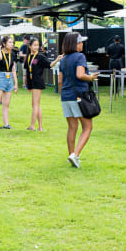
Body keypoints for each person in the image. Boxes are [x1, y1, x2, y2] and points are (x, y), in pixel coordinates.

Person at [58, 32, 99, 168]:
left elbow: (59, 80)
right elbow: (80, 75)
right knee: (87, 127)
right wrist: (91, 77)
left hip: (66, 96)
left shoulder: (63, 59)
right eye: (81, 42)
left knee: (72, 127)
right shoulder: (80, 56)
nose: (82, 44)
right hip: (79, 96)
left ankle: (71, 155)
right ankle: (75, 155)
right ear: (76, 44)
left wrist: (64, 93)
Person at [0, 35, 18, 129]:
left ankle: (6, 124)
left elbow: (13, 69)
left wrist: (16, 83)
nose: (12, 44)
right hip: (0, 77)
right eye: (10, 42)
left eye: (12, 42)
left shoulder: (12, 54)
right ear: (4, 44)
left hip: (9, 78)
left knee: (6, 103)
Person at [24, 37, 50, 131]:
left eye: (37, 45)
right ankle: (40, 127)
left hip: (38, 82)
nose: (36, 47)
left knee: (35, 105)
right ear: (30, 46)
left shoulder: (40, 56)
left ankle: (32, 126)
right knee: (36, 105)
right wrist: (28, 85)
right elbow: (28, 71)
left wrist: (57, 59)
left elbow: (49, 64)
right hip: (32, 82)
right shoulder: (28, 57)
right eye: (34, 45)